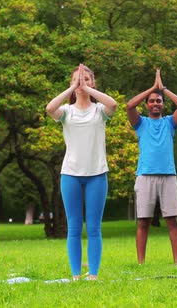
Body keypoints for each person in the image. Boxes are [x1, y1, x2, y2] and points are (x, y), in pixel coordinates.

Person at [45, 64, 117, 280]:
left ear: (93, 83)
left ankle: (93, 275)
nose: (81, 83)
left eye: (86, 79)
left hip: (97, 174)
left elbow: (113, 104)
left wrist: (87, 88)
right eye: (77, 79)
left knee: (94, 228)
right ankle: (76, 275)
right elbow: (50, 108)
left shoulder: (99, 112)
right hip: (71, 175)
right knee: (74, 228)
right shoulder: (66, 112)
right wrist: (73, 88)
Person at [126, 69, 177, 265]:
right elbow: (129, 105)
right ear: (146, 105)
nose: (155, 103)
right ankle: (141, 263)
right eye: (152, 101)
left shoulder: (170, 122)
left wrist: (164, 89)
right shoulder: (140, 123)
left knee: (172, 220)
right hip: (145, 176)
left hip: (168, 176)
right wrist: (152, 88)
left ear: (163, 105)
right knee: (143, 221)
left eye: (158, 101)